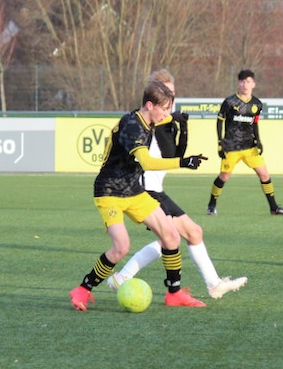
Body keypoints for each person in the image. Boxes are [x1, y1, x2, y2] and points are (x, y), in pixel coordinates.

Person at [70, 80, 209, 311]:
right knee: (121, 247)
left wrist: (175, 117)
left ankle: (174, 294)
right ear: (150, 105)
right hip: (109, 191)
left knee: (171, 236)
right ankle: (83, 289)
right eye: (164, 108)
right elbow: (146, 162)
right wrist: (183, 162)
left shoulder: (149, 118)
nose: (166, 114)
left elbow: (165, 118)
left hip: (133, 190)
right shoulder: (132, 126)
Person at [107, 70, 247, 298]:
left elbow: (175, 151)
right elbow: (162, 153)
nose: (170, 101)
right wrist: (175, 123)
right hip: (144, 190)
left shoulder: (163, 121)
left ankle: (213, 284)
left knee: (193, 232)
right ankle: (123, 277)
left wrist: (181, 127)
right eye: (166, 94)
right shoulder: (146, 122)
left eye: (172, 94)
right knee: (169, 238)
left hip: (157, 190)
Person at [206, 69, 283, 216]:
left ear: (253, 84)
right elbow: (220, 121)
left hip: (249, 146)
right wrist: (220, 142)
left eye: (248, 82)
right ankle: (211, 204)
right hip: (231, 146)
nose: (245, 85)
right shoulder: (230, 102)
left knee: (264, 174)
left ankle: (274, 208)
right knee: (224, 176)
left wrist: (258, 140)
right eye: (243, 82)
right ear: (238, 83)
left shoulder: (257, 104)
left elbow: (255, 123)